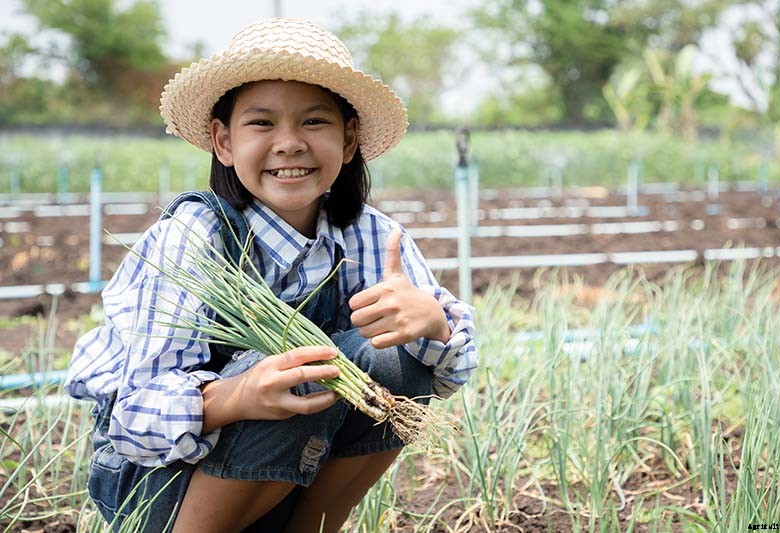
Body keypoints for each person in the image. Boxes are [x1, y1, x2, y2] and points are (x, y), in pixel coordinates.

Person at [66, 17, 477, 533]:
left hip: (283, 479)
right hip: (158, 484)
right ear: (223, 141)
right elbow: (135, 420)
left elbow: (449, 372)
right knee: (293, 370)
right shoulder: (195, 237)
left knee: (394, 354)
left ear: (349, 141)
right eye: (261, 123)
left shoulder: (372, 235)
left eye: (314, 122)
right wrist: (238, 395)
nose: (289, 143)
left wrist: (434, 324)